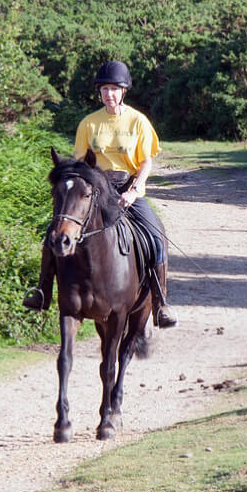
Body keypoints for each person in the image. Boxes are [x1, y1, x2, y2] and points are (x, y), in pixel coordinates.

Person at [73, 60, 179, 328]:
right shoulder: (89, 123)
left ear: (124, 91)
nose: (109, 94)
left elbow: (146, 162)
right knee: (59, 231)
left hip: (128, 189)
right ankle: (45, 292)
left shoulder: (138, 121)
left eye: (114, 89)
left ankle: (160, 302)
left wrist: (133, 192)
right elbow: (81, 164)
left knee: (156, 236)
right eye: (105, 89)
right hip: (97, 191)